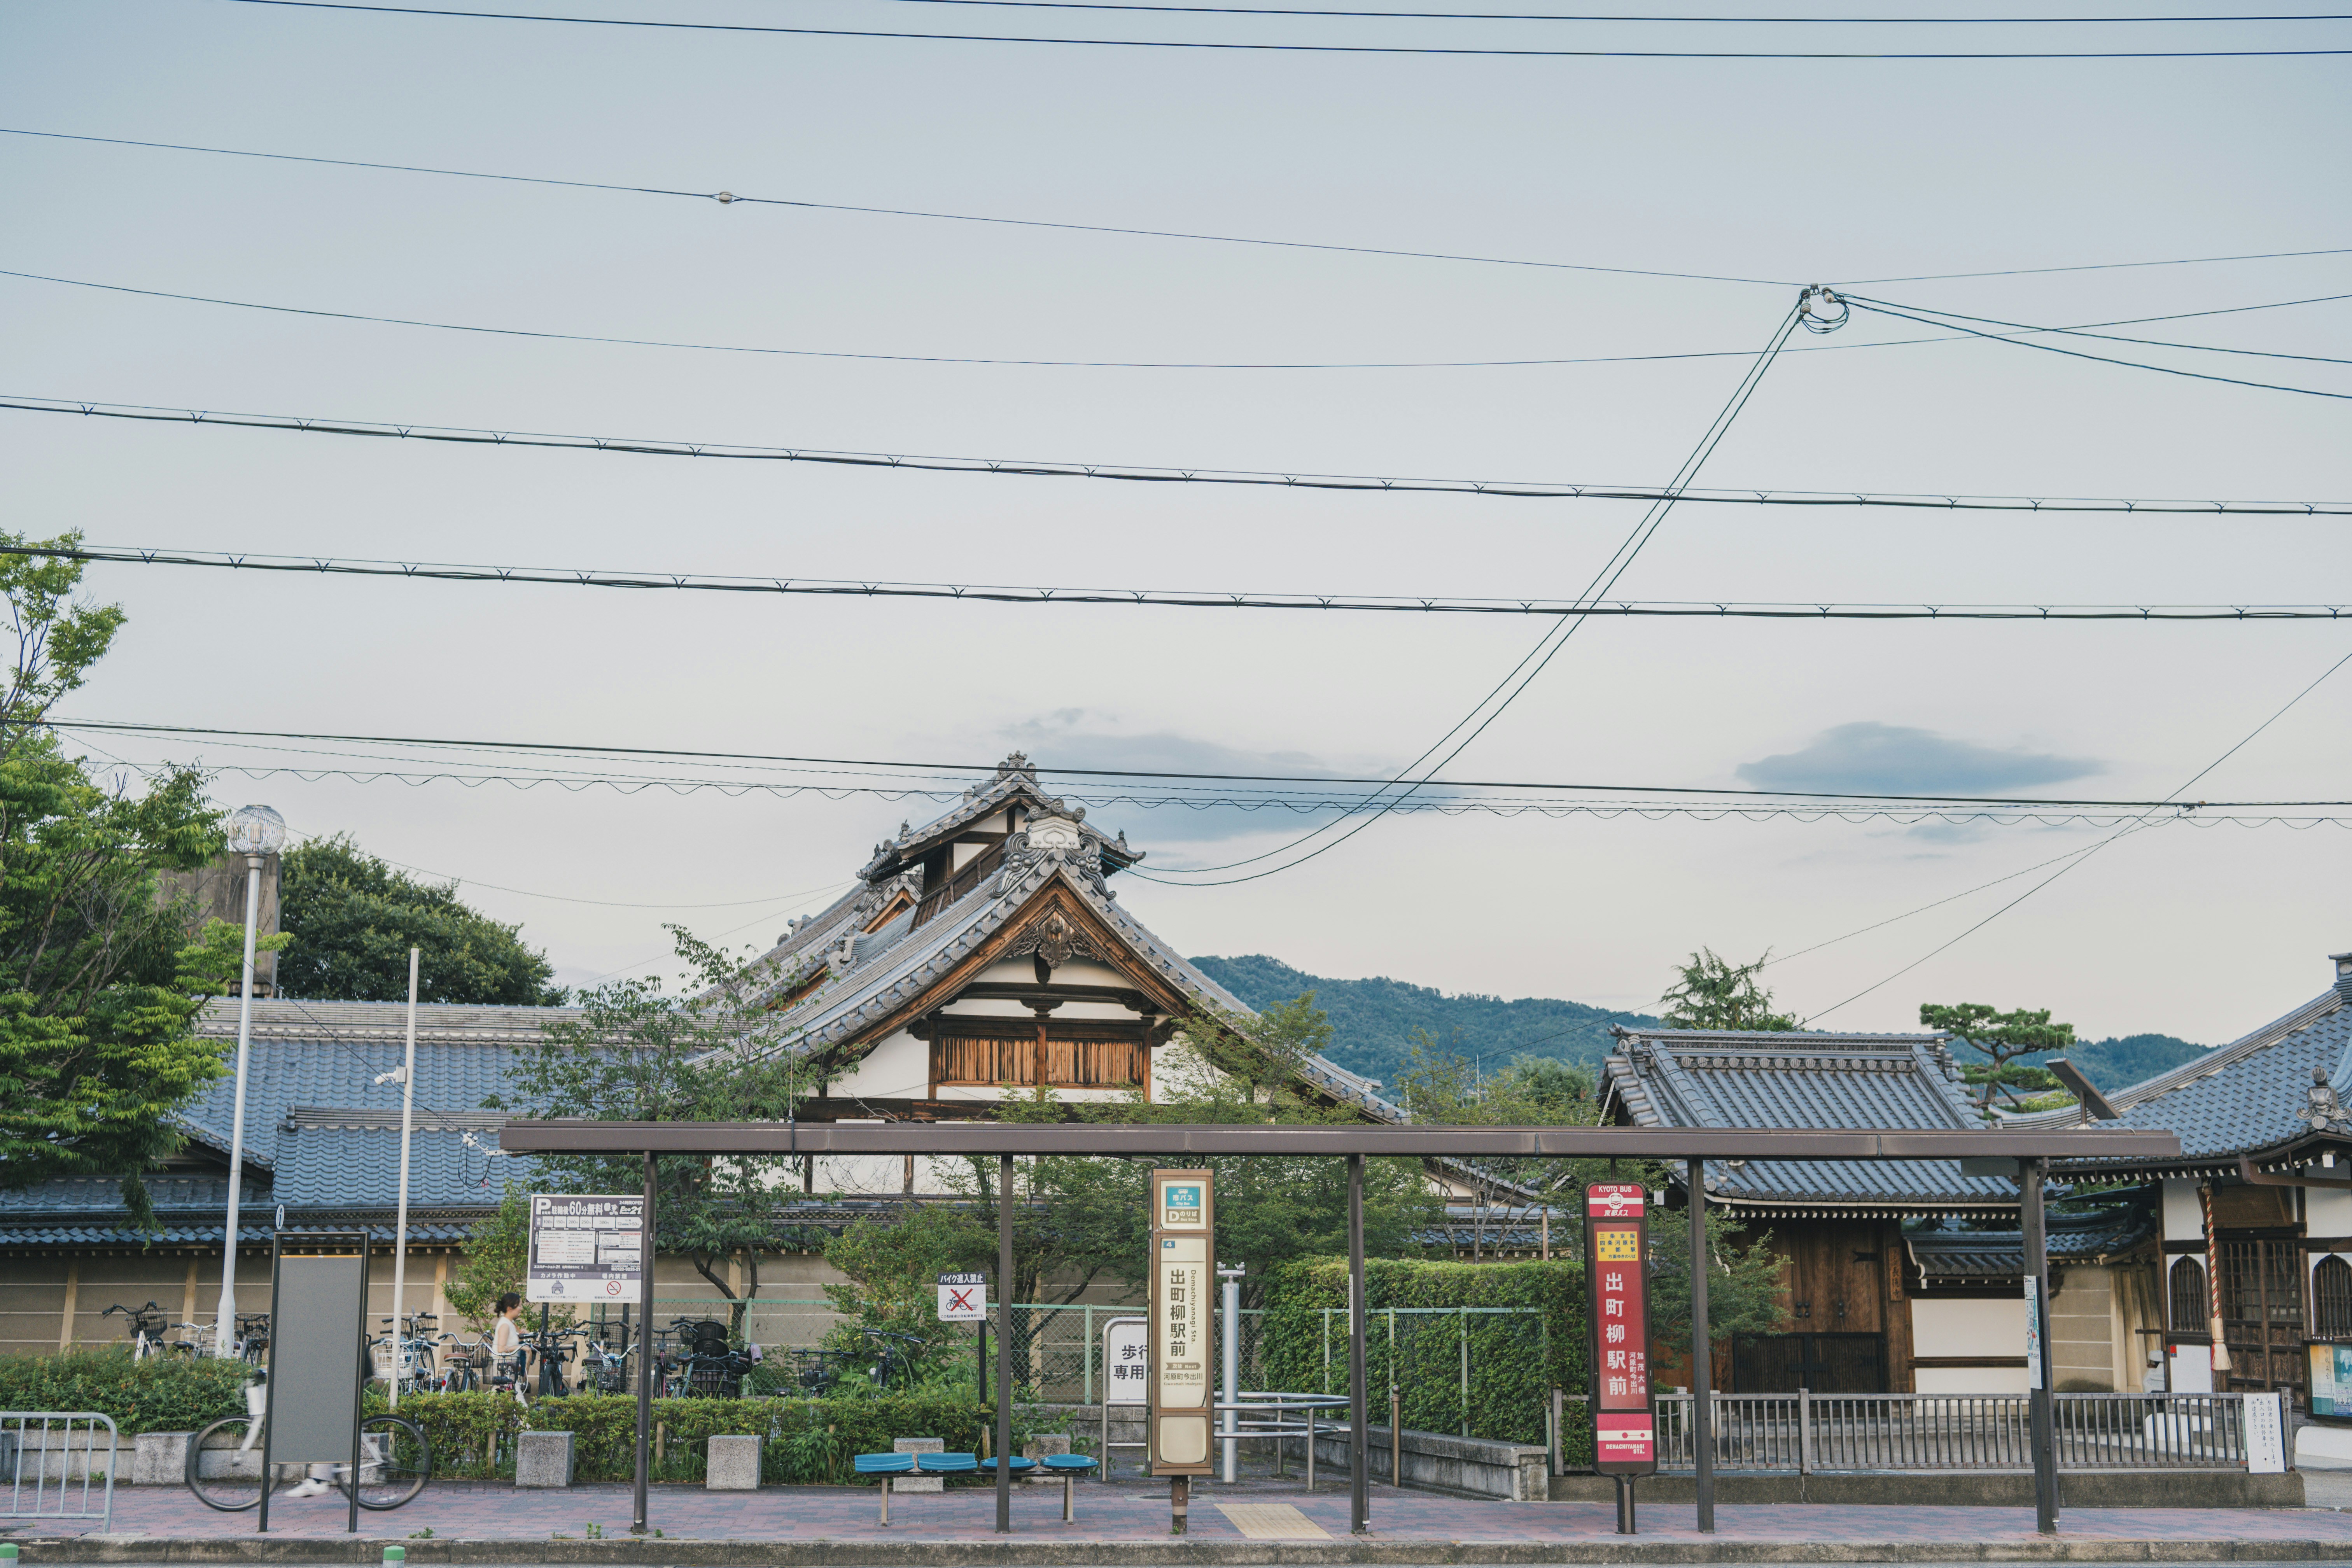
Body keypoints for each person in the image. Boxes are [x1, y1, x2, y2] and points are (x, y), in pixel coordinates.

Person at [492, 1293, 528, 1405]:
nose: (521, 1308)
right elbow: (501, 1349)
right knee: (521, 1406)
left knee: (500, 1403)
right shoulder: (505, 1325)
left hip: (508, 1369)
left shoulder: (510, 1323)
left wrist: (520, 1337)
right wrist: (521, 1347)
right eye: (519, 1306)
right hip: (503, 1370)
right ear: (509, 1308)